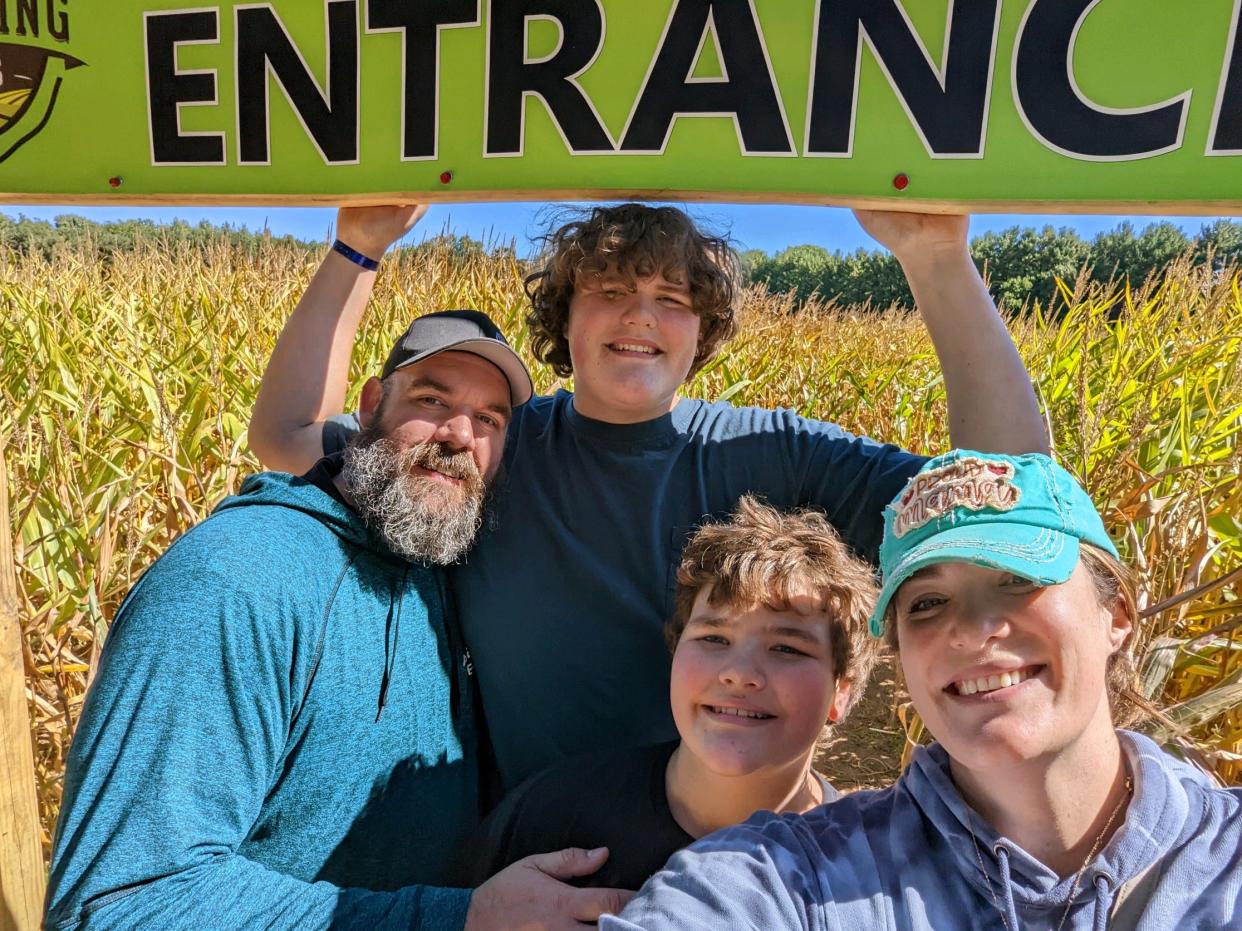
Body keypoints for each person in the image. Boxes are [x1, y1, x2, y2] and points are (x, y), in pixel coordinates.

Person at [249, 204, 1050, 794]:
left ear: (703, 334)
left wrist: (938, 257)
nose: (640, 314)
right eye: (609, 288)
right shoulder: (496, 442)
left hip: (722, 851)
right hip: (529, 853)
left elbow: (1006, 494)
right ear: (564, 321)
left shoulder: (769, 448)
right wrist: (356, 245)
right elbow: (288, 433)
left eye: (673, 298)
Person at [45, 312, 630, 931]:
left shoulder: (438, 559)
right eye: (433, 399)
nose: (461, 435)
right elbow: (120, 902)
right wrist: (460, 918)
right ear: (372, 403)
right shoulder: (237, 579)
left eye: (490, 419)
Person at [603, 450, 1242, 930]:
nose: (970, 630)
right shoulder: (794, 880)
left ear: (1118, 615)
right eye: (929, 601)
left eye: (1016, 579)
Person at [456, 495, 879, 889]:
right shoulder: (552, 817)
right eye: (714, 638)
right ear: (676, 651)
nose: (739, 674)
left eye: (786, 648)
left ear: (841, 691)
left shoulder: (867, 875)